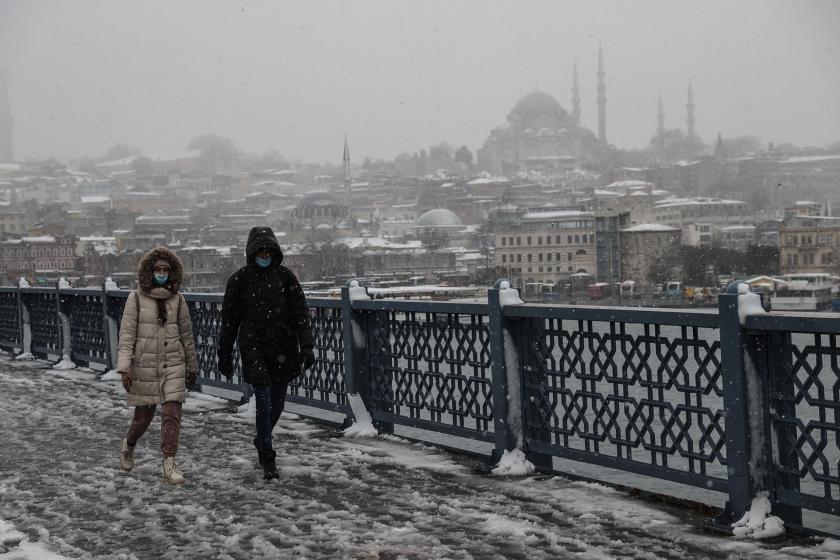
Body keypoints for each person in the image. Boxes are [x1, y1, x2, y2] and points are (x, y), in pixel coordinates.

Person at [217, 226, 315, 480]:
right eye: (259, 251)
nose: (264, 255)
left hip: (283, 348)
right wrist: (224, 355)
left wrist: (307, 346)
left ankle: (262, 438)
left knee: (278, 403)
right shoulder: (239, 281)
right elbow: (229, 321)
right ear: (252, 252)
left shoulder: (286, 278)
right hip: (254, 348)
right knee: (263, 401)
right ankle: (268, 456)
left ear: (274, 251)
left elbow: (300, 315)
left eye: (267, 251)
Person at [116, 246, 199, 484]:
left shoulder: (178, 299)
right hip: (144, 365)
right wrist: (125, 368)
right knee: (143, 418)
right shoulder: (135, 298)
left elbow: (187, 335)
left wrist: (192, 365)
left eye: (165, 269)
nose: (161, 273)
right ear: (149, 272)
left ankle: (169, 464)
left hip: (173, 362)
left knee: (172, 414)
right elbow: (127, 335)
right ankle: (129, 445)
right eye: (157, 269)